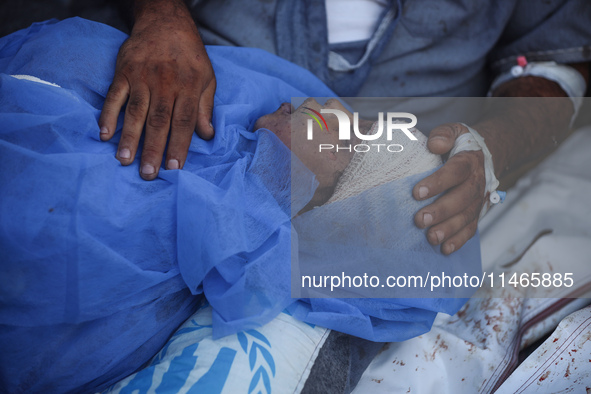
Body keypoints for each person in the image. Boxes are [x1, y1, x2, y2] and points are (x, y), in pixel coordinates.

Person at [99, 0, 590, 256]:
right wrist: (160, 15)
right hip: (188, 112)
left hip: (399, 183)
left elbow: (551, 62)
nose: (328, 110)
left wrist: (490, 151)